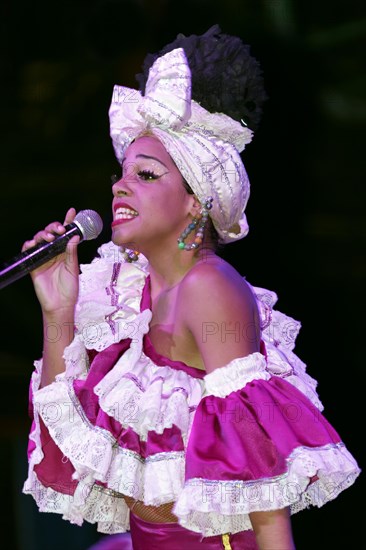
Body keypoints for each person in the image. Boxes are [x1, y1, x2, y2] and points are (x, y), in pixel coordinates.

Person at [22, 26, 360, 549]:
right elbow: (68, 440)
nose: (120, 184)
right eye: (123, 171)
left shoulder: (208, 287)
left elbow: (260, 474)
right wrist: (57, 311)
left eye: (147, 174)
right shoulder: (126, 293)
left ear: (196, 201)